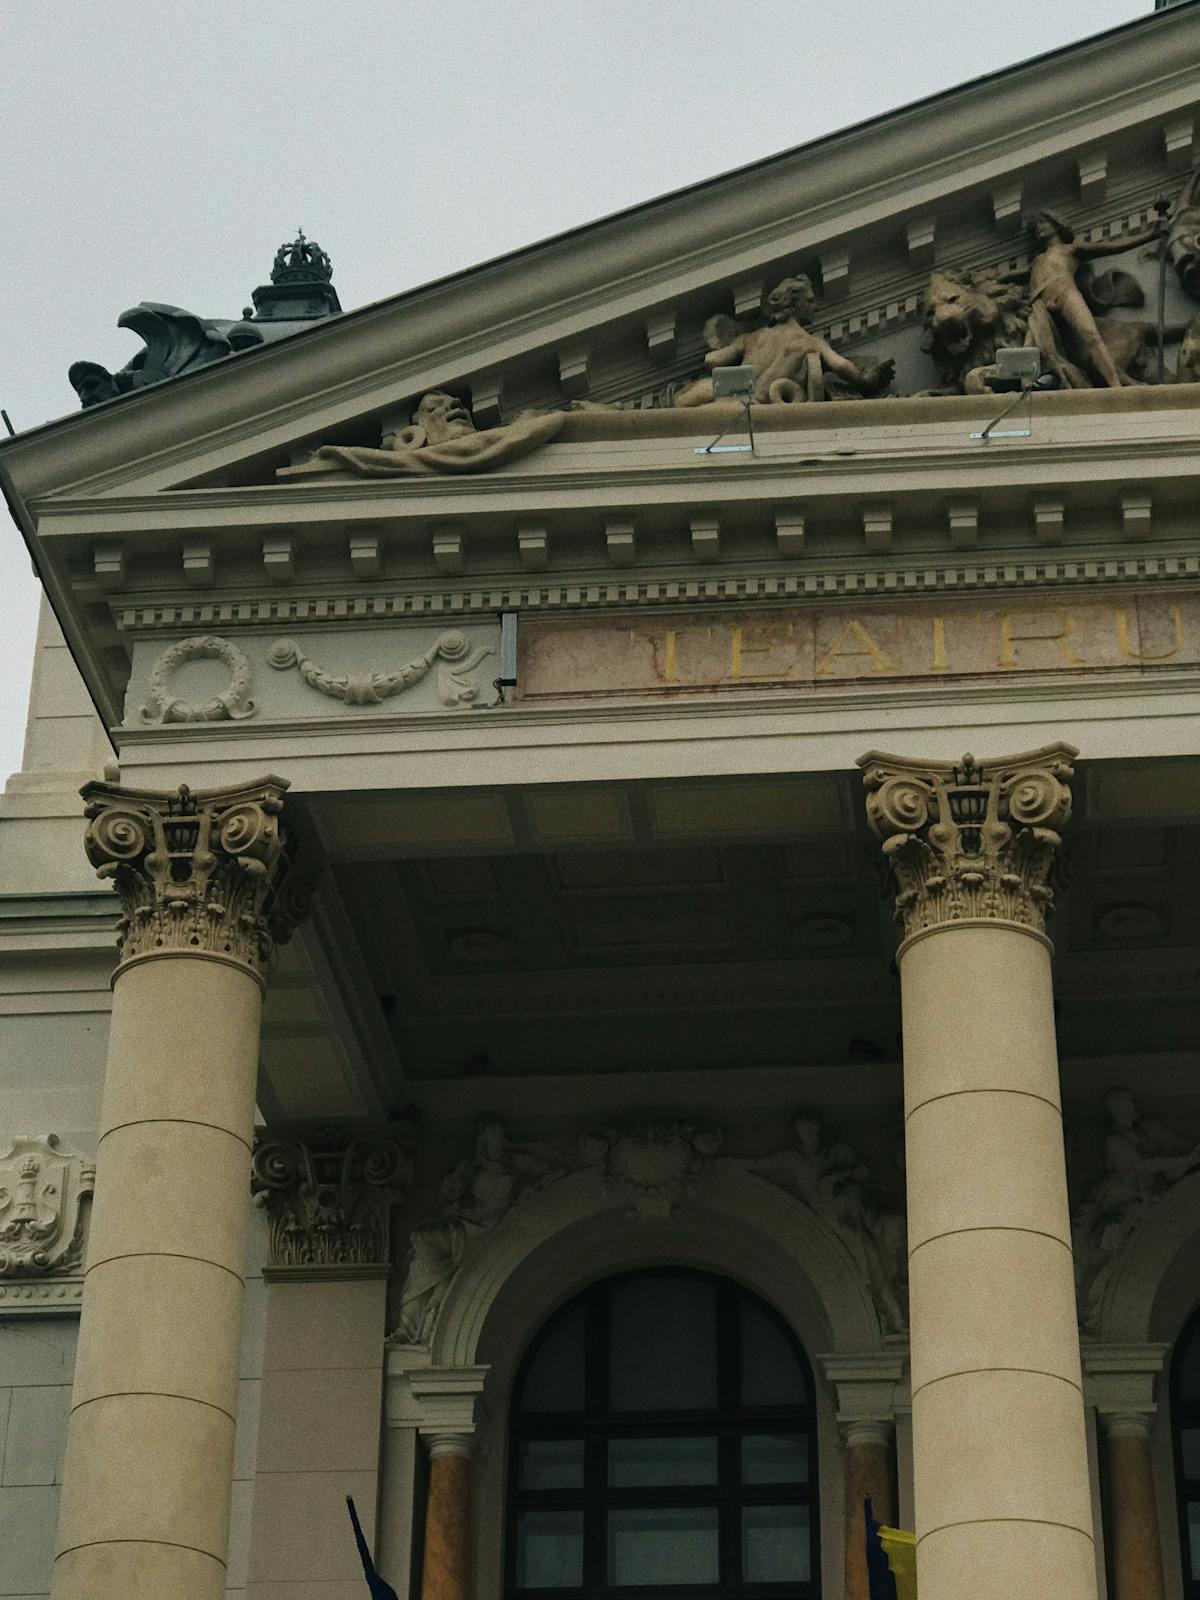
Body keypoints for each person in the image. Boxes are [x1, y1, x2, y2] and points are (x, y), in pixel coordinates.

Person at [1000, 211, 1166, 387]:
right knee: (1036, 350)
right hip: (1040, 305)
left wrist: (1149, 235)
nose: (1038, 228)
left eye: (1042, 222)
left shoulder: (1070, 249)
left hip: (1065, 292)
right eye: (1034, 228)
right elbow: (1013, 275)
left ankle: (1115, 384)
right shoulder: (1037, 260)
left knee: (1091, 337)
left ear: (1056, 224)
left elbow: (1112, 246)